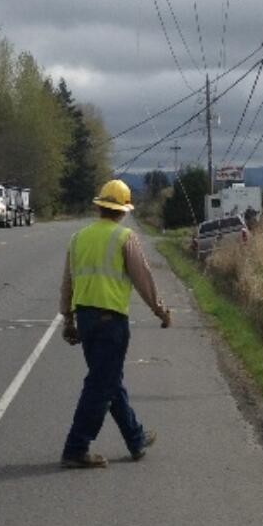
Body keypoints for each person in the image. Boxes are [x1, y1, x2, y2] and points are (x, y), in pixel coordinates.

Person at [60, 179, 172, 469]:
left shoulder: (78, 237)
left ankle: (135, 439)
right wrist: (161, 311)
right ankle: (76, 447)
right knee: (100, 384)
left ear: (100, 208)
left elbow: (67, 283)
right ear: (122, 211)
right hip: (110, 323)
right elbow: (143, 280)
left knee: (109, 381)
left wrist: (68, 319)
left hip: (85, 319)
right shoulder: (125, 238)